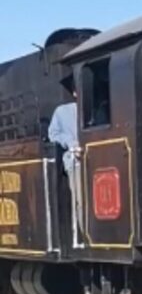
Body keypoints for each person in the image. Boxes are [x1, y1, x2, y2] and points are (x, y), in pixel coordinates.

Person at [48, 89, 82, 248]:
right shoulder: (62, 111)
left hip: (96, 158)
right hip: (74, 160)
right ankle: (81, 235)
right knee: (80, 200)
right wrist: (70, 142)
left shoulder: (98, 109)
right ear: (74, 92)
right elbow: (53, 134)